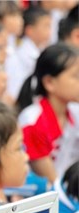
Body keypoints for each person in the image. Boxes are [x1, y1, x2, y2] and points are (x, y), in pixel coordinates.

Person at [17, 43, 79, 184]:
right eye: (76, 76)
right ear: (49, 82)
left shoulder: (74, 112)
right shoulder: (33, 122)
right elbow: (52, 181)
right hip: (49, 194)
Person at [6, 7, 52, 101]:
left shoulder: (40, 49)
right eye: (45, 26)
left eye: (50, 26)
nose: (49, 31)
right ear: (29, 30)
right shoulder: (21, 53)